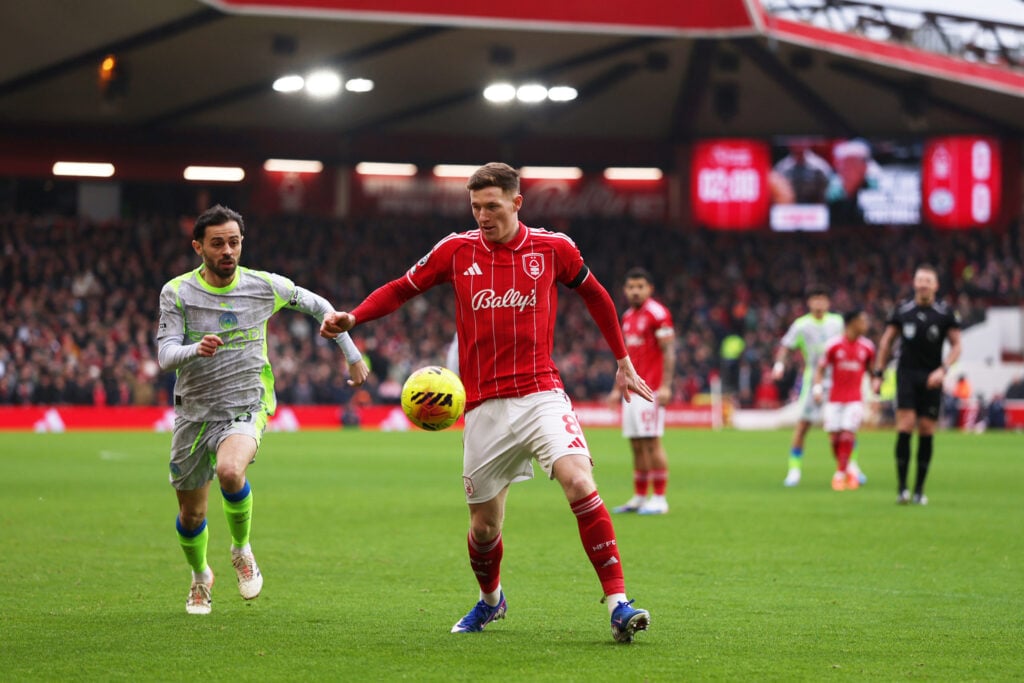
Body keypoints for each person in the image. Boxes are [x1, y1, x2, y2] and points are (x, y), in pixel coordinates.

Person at [320, 162, 654, 643]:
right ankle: (492, 600)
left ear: (517, 203)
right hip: (482, 407)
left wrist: (622, 360)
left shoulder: (553, 248)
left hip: (540, 393)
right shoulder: (455, 250)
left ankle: (619, 604)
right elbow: (401, 288)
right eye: (475, 207)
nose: (482, 216)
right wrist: (355, 317)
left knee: (580, 482)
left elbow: (597, 296)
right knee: (483, 528)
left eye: (492, 206)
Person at [157, 205, 369, 615]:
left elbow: (321, 307)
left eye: (234, 242)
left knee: (230, 471)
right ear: (198, 247)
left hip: (246, 404)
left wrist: (352, 353)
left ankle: (241, 549)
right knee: (191, 514)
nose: (227, 251)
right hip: (194, 412)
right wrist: (195, 350)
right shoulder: (177, 292)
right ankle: (200, 576)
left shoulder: (264, 286)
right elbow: (166, 355)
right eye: (217, 243)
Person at [872, 264, 962, 505]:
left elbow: (957, 345)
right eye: (920, 280)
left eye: (928, 281)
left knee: (926, 429)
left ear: (936, 285)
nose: (923, 284)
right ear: (914, 283)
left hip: (932, 377)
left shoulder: (945, 313)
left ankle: (919, 489)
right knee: (905, 424)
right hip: (906, 374)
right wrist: (878, 373)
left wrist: (943, 370)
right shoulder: (902, 310)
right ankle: (902, 488)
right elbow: (886, 342)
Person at [772, 285, 866, 486]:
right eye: (815, 299)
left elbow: (854, 341)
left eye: (822, 299)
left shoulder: (837, 322)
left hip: (840, 381)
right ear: (809, 302)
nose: (819, 303)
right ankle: (794, 471)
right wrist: (779, 365)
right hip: (814, 380)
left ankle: (852, 467)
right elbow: (786, 347)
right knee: (803, 426)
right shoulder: (801, 325)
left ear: (828, 302)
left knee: (847, 428)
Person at [607, 267, 676, 515]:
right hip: (632, 392)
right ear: (625, 290)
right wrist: (618, 388)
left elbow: (669, 351)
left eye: (640, 287)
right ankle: (639, 496)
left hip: (651, 390)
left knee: (651, 442)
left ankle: (659, 498)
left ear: (650, 289)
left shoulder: (658, 314)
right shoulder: (627, 317)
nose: (635, 291)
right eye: (631, 287)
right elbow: (626, 357)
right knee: (636, 444)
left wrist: (666, 385)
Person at [812, 309, 875, 492]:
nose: (866, 325)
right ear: (852, 322)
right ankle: (850, 471)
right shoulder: (833, 345)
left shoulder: (867, 347)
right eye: (862, 321)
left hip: (855, 399)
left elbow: (872, 372)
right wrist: (817, 389)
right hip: (834, 399)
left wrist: (874, 394)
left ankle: (839, 475)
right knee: (834, 439)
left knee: (847, 434)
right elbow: (820, 369)